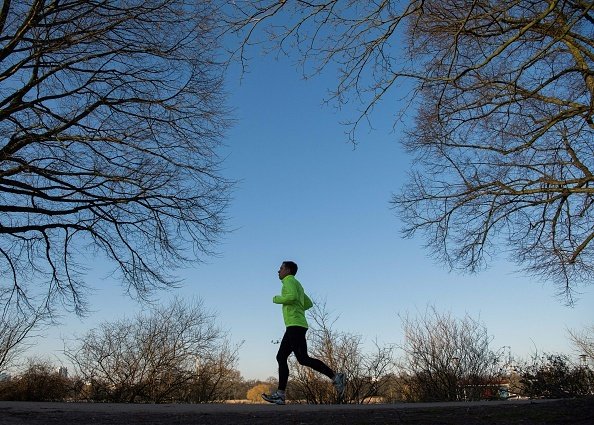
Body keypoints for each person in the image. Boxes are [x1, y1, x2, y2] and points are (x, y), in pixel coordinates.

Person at [262, 260, 346, 405]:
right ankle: (280, 394)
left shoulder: (288, 281)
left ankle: (335, 377)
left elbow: (292, 297)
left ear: (288, 270)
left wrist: (276, 299)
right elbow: (308, 303)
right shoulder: (297, 284)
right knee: (281, 357)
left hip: (295, 325)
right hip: (295, 324)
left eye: (281, 268)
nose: (278, 271)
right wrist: (297, 310)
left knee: (303, 358)